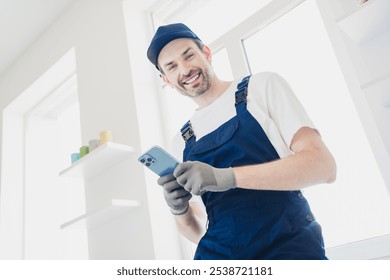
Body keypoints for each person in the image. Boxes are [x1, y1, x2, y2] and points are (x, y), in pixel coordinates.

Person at [146, 23, 336, 260]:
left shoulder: (261, 87)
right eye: (172, 66)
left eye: (189, 55)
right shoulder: (181, 142)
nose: (184, 70)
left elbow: (323, 166)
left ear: (206, 53)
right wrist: (179, 209)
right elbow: (198, 231)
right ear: (166, 79)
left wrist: (226, 177)